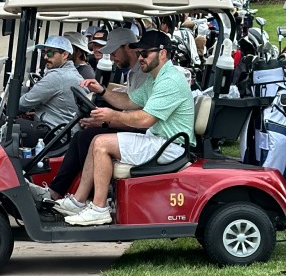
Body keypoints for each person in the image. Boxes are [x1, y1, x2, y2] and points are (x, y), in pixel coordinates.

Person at [54, 29, 195, 225]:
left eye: (145, 53)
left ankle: (99, 208)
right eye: (139, 53)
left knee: (102, 143)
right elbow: (129, 101)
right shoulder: (156, 78)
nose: (140, 58)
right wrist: (101, 91)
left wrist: (112, 116)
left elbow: (146, 119)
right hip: (159, 139)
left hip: (170, 146)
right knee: (96, 140)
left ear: (162, 53)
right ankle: (78, 201)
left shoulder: (169, 81)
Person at [29, 26, 146, 204]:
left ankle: (91, 198)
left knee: (89, 138)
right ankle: (57, 191)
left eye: (114, 52)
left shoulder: (143, 73)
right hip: (135, 122)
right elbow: (129, 102)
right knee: (81, 136)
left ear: (128, 47)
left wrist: (106, 121)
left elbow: (140, 115)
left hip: (143, 129)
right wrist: (102, 94)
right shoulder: (134, 72)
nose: (111, 57)